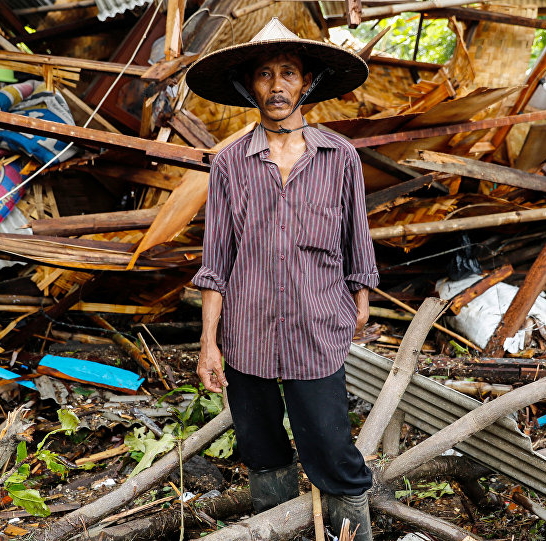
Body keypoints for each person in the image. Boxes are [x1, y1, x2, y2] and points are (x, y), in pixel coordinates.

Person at [186, 17, 378, 540]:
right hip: (245, 329)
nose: (276, 86)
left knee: (330, 442)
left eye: (288, 73)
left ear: (307, 82)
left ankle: (351, 532)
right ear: (250, 86)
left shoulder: (339, 157)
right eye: (265, 74)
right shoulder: (229, 163)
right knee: (260, 444)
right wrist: (209, 343)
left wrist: (360, 301)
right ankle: (277, 528)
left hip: (317, 324)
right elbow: (215, 259)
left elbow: (355, 237)